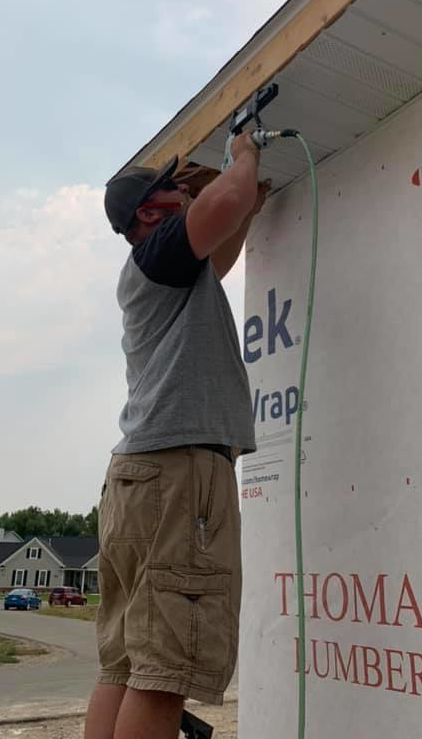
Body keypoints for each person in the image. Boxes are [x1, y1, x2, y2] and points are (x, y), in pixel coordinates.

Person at [85, 131, 270, 739]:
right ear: (149, 212)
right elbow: (215, 211)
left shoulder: (166, 271)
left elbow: (216, 247)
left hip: (139, 480)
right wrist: (241, 159)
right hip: (176, 473)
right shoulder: (156, 253)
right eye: (170, 184)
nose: (180, 187)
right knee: (164, 668)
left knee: (127, 662)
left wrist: (244, 203)